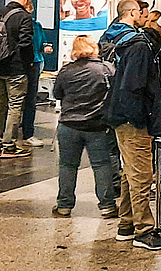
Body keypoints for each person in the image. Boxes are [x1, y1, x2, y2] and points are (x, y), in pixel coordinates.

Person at [105, 11, 161, 251]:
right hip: (133, 122)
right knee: (142, 176)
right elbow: (133, 88)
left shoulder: (146, 45)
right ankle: (144, 231)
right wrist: (141, 124)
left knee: (131, 173)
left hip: (129, 119)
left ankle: (127, 224)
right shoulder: (143, 48)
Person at [51, 35, 118, 218]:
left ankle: (64, 206)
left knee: (67, 166)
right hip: (97, 126)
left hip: (69, 125)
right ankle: (107, 206)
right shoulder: (106, 69)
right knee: (102, 165)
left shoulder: (66, 71)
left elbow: (57, 94)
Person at [0, 0, 35, 159]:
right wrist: (28, 64)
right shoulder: (23, 17)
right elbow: (25, 44)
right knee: (15, 106)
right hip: (15, 69)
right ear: (26, 0)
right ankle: (9, 146)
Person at [20, 17, 48, 148]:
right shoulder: (34, 25)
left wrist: (45, 47)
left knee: (24, 100)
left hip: (29, 63)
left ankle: (5, 137)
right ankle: (27, 134)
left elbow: (43, 44)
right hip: (30, 63)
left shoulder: (37, 25)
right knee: (28, 100)